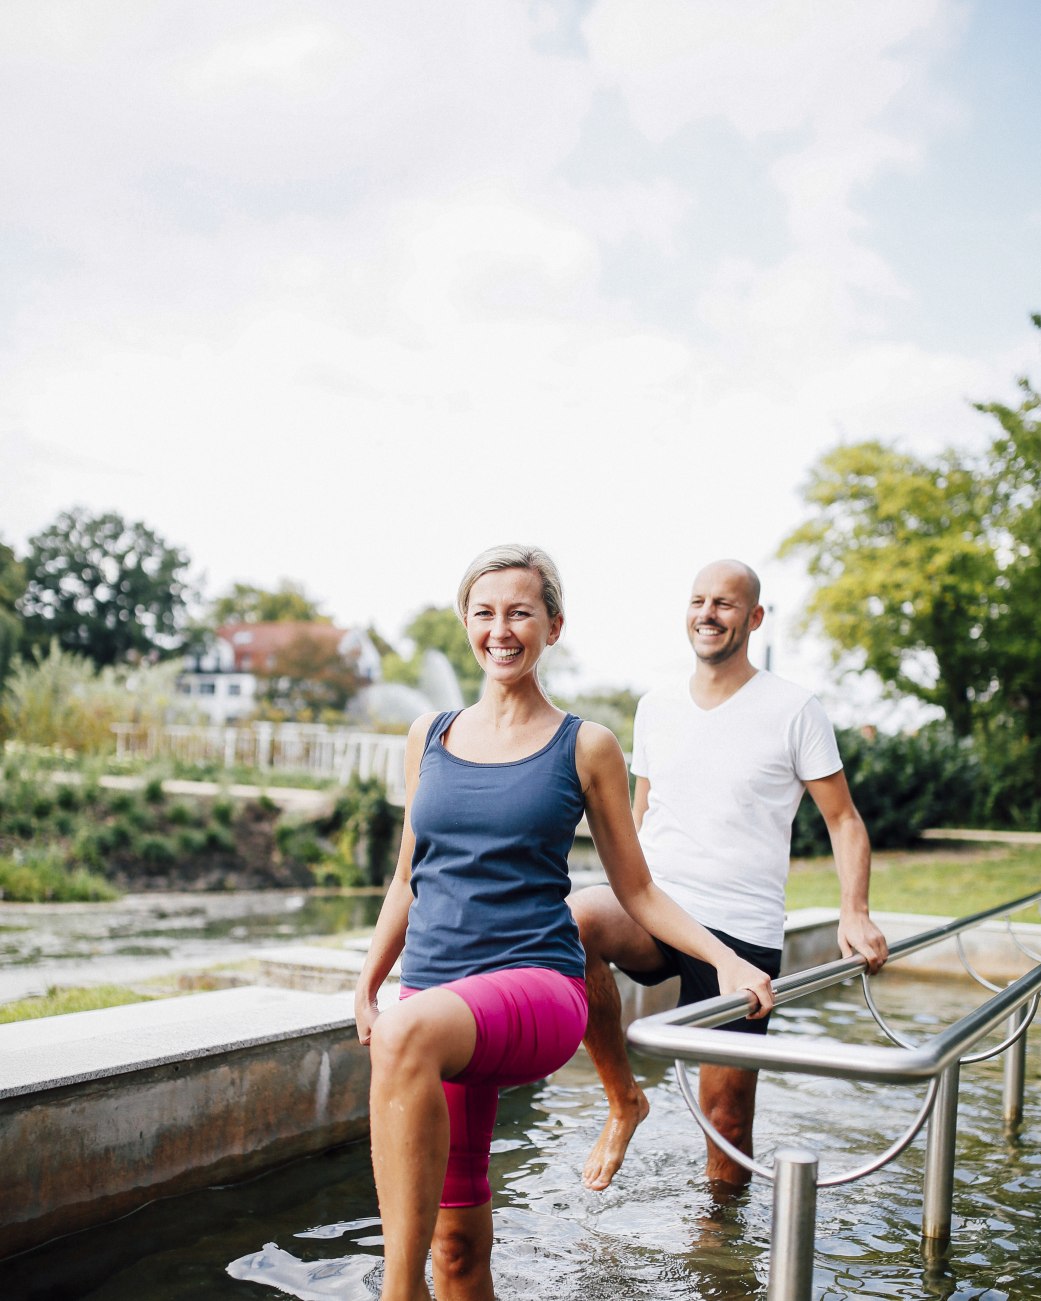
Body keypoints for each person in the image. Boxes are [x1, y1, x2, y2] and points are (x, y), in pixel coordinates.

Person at [353, 544, 776, 1301]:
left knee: (403, 1034)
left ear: (553, 623)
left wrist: (730, 961)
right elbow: (406, 877)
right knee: (455, 1247)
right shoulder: (428, 734)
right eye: (484, 613)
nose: (501, 629)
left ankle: (394, 1295)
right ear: (465, 623)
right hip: (432, 994)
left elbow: (638, 891)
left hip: (534, 985)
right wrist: (369, 981)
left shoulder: (585, 744)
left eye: (519, 611)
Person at [570, 558, 889, 1196]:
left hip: (741, 931)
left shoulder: (795, 708)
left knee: (726, 1122)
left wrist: (853, 910)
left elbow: (844, 819)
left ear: (754, 617)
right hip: (658, 909)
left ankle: (722, 1254)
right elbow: (641, 813)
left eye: (724, 603)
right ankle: (623, 1100)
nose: (707, 614)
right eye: (698, 600)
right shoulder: (655, 705)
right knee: (573, 920)